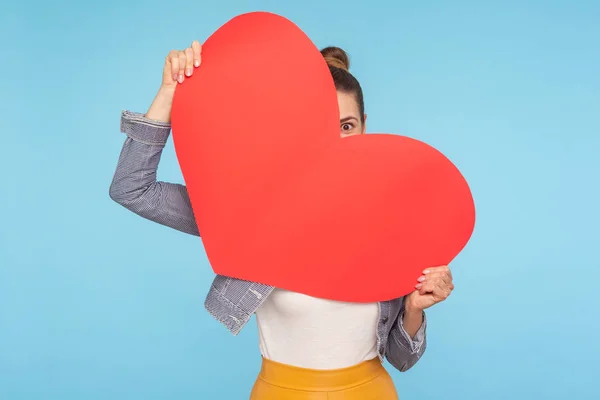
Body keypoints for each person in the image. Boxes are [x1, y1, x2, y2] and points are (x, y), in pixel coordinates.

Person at [109, 40, 455, 399]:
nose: (335, 141)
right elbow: (133, 189)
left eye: (346, 126)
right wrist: (168, 93)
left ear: (365, 127)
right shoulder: (249, 212)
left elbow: (401, 358)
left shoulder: (392, 224)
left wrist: (414, 307)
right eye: (320, 125)